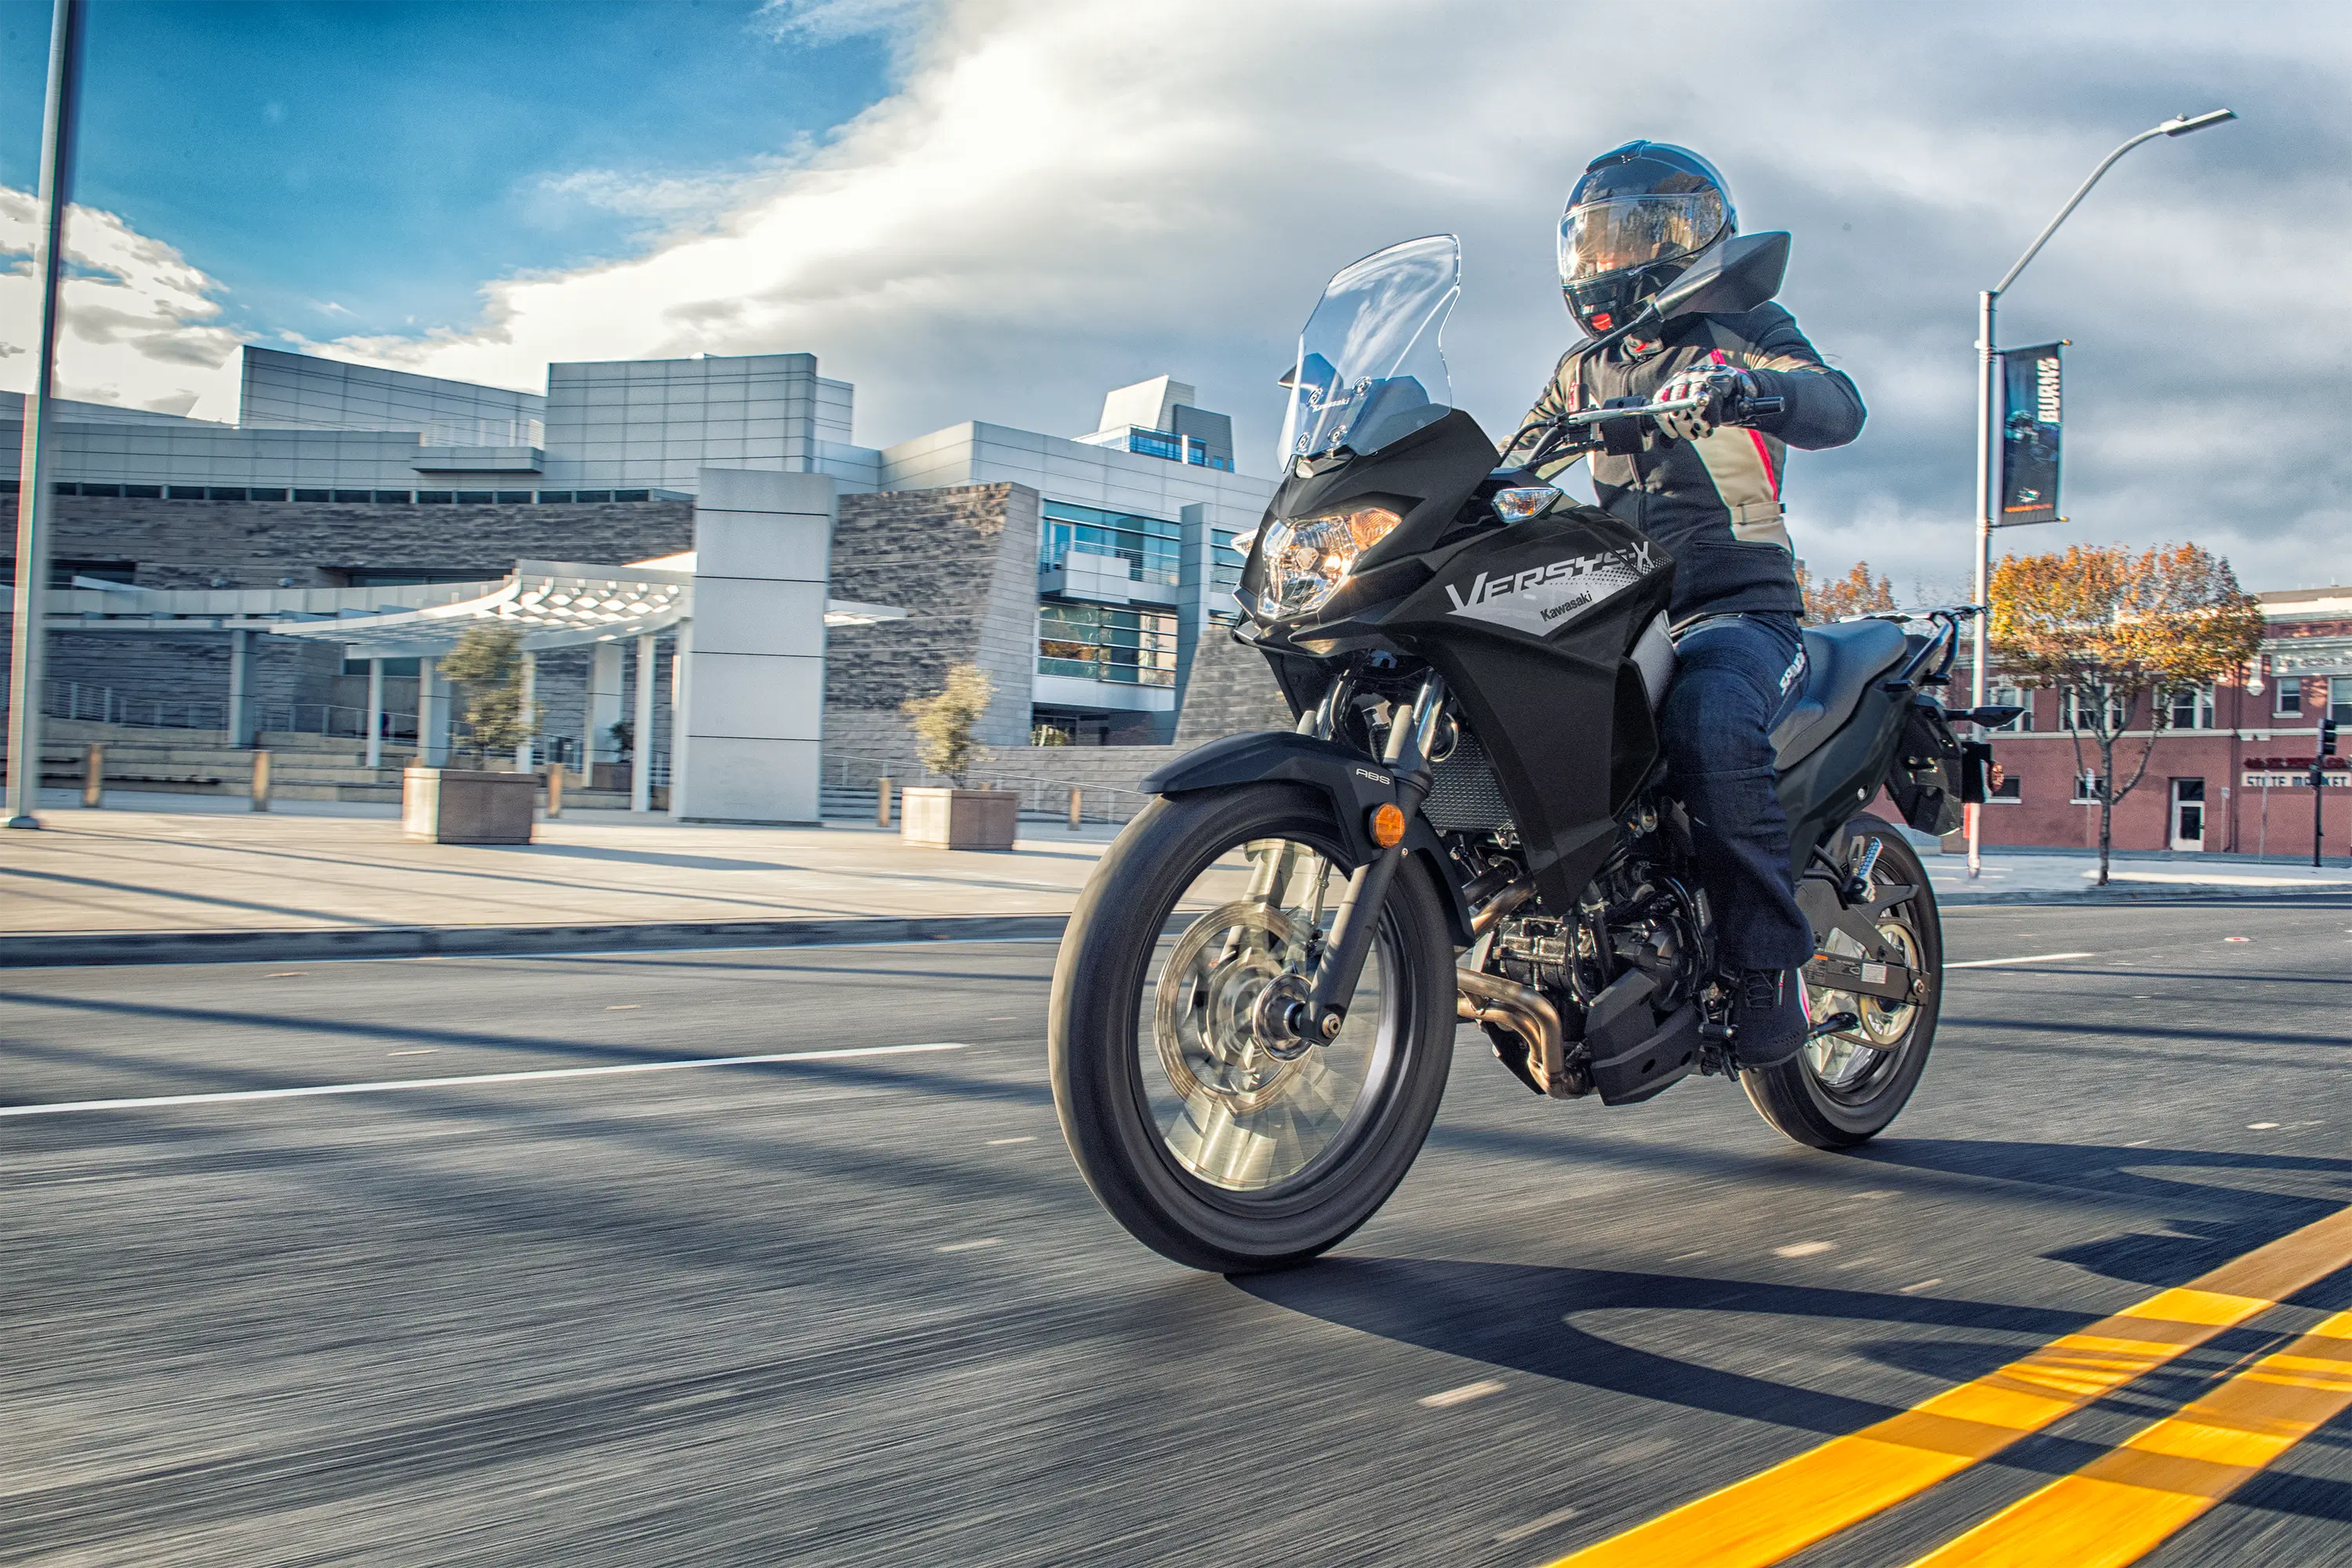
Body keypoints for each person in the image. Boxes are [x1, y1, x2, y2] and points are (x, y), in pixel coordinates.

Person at [1514, 140, 1867, 1067]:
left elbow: (1839, 404)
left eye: (1635, 235)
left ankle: (1765, 969)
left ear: (1688, 239)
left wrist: (1750, 389)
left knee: (1711, 719)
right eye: (1595, 241)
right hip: (1622, 612)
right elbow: (1516, 461)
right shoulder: (1579, 370)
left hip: (1740, 608)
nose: (1610, 260)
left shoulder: (1739, 325)